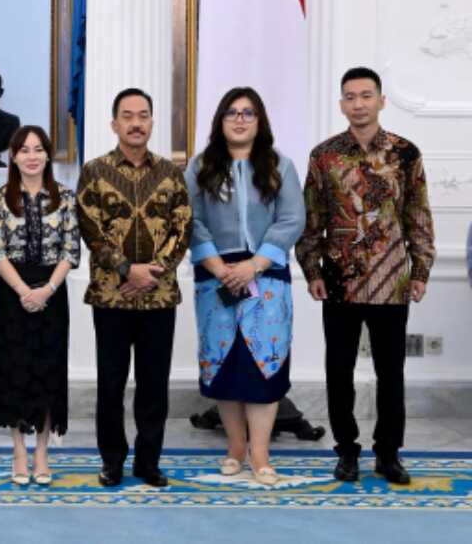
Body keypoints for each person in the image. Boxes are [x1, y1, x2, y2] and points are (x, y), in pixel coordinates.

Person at [296, 67, 435, 486]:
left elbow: (417, 214)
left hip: (392, 281)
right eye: (351, 97)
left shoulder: (405, 154)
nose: (358, 104)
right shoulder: (324, 156)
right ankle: (346, 451)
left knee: (391, 373)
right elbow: (311, 218)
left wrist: (420, 268)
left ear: (381, 101)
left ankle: (388, 453)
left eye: (366, 95)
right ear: (342, 104)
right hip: (339, 280)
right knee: (338, 371)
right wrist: (311, 268)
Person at [184, 88, 305, 485]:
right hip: (215, 276)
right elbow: (189, 219)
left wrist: (254, 264)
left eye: (248, 113)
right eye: (232, 113)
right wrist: (219, 267)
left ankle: (260, 453)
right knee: (226, 366)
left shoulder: (280, 166)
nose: (239, 119)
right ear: (220, 121)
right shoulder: (200, 167)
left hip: (266, 275)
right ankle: (236, 447)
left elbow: (292, 219)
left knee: (262, 368)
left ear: (259, 120)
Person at [76, 88, 191, 488]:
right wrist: (127, 269)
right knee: (110, 384)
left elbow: (182, 228)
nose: (136, 123)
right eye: (127, 116)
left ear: (152, 122)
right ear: (114, 124)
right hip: (111, 295)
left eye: (143, 115)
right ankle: (112, 461)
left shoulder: (171, 173)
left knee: (154, 384)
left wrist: (151, 273)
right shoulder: (94, 171)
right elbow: (90, 229)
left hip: (159, 296)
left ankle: (148, 461)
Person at [0, 126, 79, 486]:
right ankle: (19, 452)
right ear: (13, 156)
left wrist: (46, 290)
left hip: (52, 294)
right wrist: (25, 291)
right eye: (24, 150)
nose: (32, 156)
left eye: (38, 149)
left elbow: (71, 250)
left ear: (48, 155)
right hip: (12, 294)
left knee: (48, 371)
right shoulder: (1, 198)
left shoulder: (65, 197)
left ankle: (42, 452)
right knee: (14, 370)